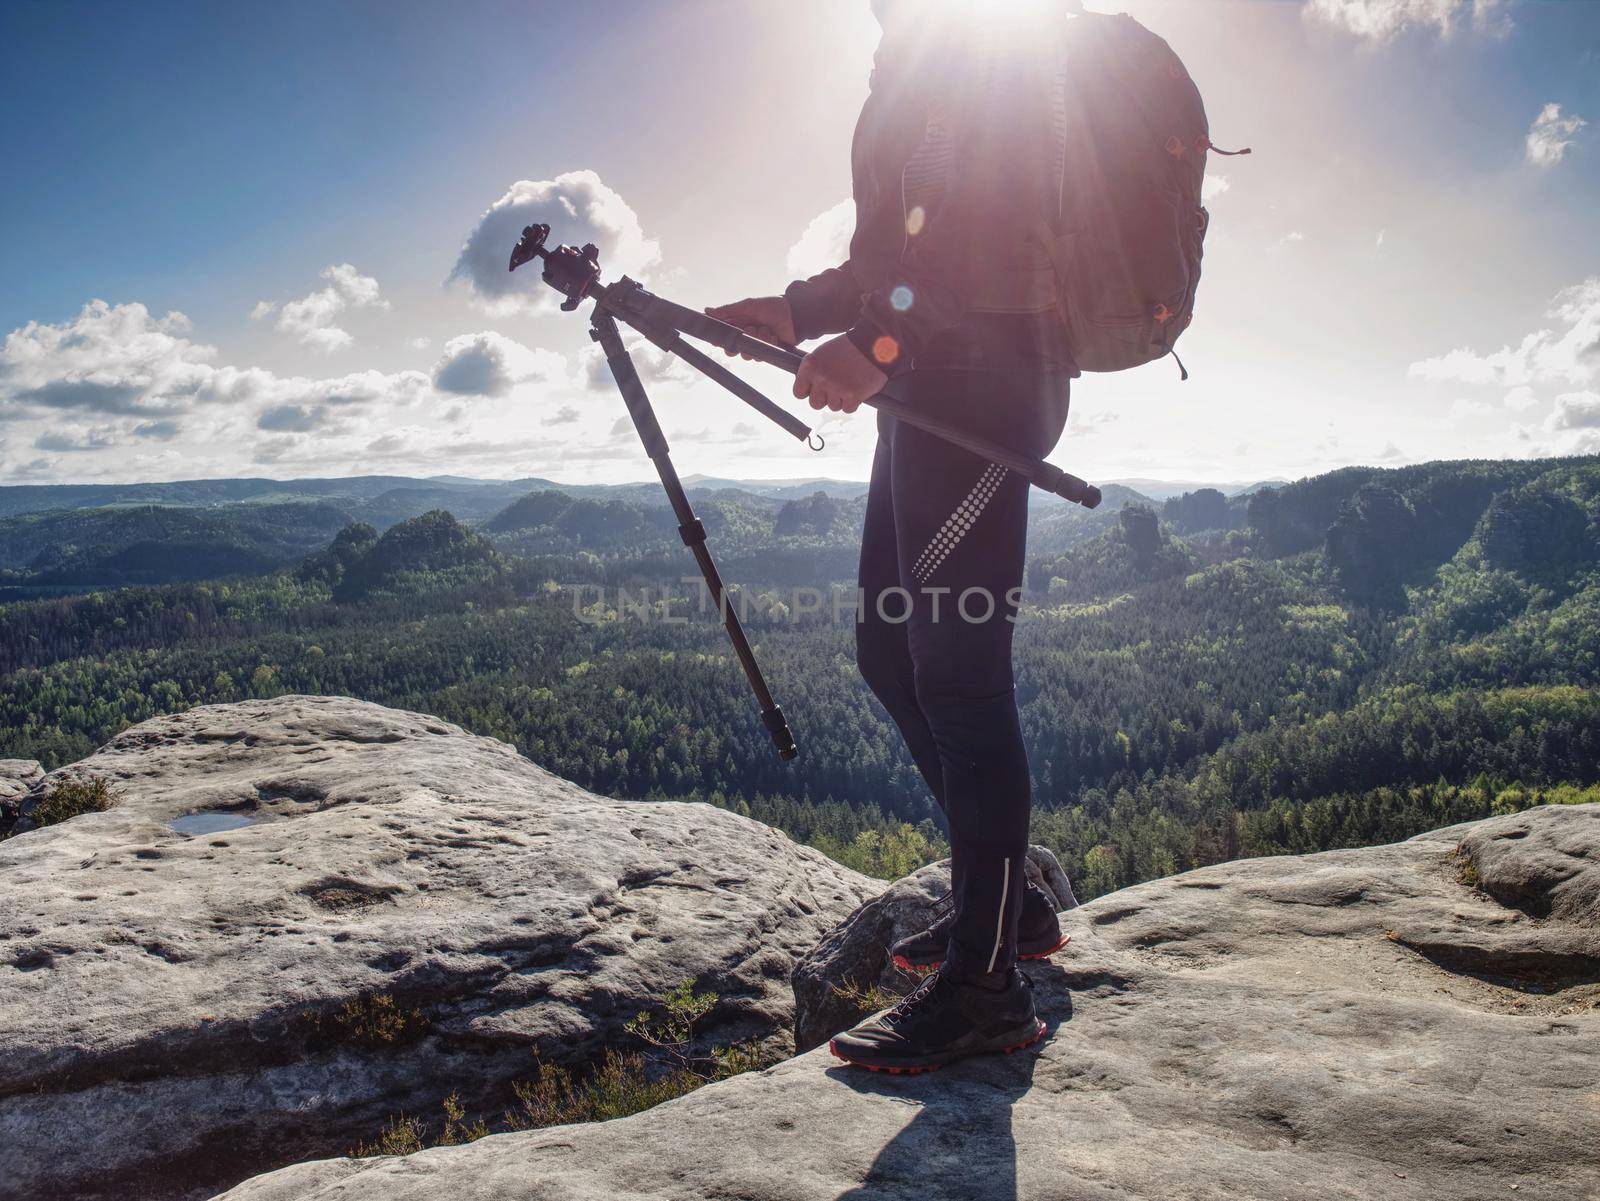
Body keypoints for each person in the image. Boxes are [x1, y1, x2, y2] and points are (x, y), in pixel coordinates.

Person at [708, 0, 1075, 1073]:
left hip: (982, 395)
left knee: (961, 679)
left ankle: (988, 988)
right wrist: (795, 308)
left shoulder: (974, 54)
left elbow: (985, 240)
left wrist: (872, 342)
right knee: (887, 649)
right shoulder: (907, 61)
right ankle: (1006, 912)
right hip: (930, 387)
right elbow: (897, 248)